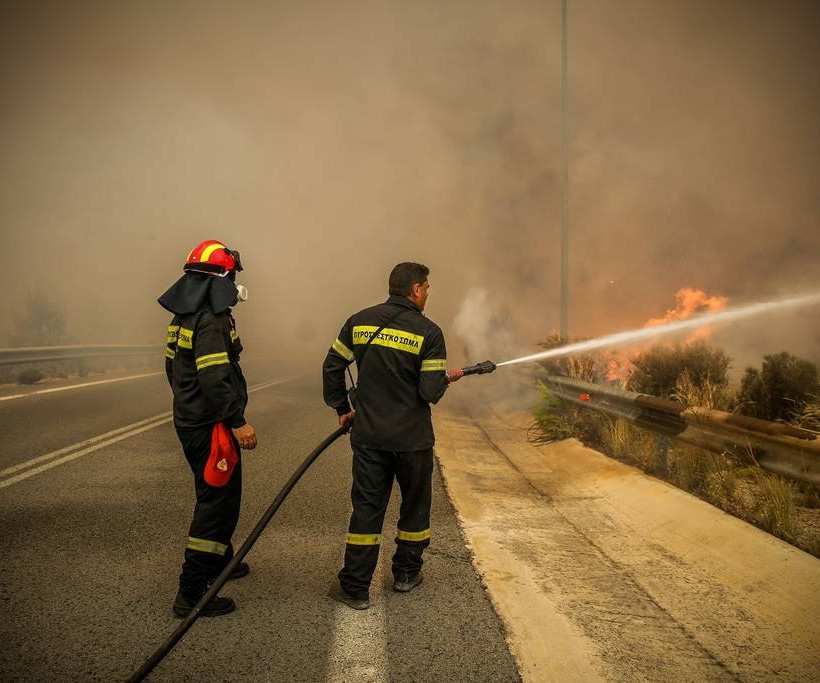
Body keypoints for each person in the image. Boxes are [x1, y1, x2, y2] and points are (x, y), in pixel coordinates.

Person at [322, 262, 462, 610]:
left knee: (367, 510)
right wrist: (445, 377)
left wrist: (343, 408)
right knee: (414, 508)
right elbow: (429, 391)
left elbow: (331, 366)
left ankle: (354, 587)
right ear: (415, 289)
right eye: (427, 287)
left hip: (369, 438)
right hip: (413, 441)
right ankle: (405, 575)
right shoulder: (429, 333)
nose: (428, 294)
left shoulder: (359, 321)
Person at [158, 239, 258, 618]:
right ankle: (192, 592)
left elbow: (173, 370)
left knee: (212, 493)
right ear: (223, 277)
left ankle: (219, 563)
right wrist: (238, 422)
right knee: (217, 504)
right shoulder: (212, 321)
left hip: (191, 420)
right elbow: (216, 377)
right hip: (211, 425)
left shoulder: (183, 316)